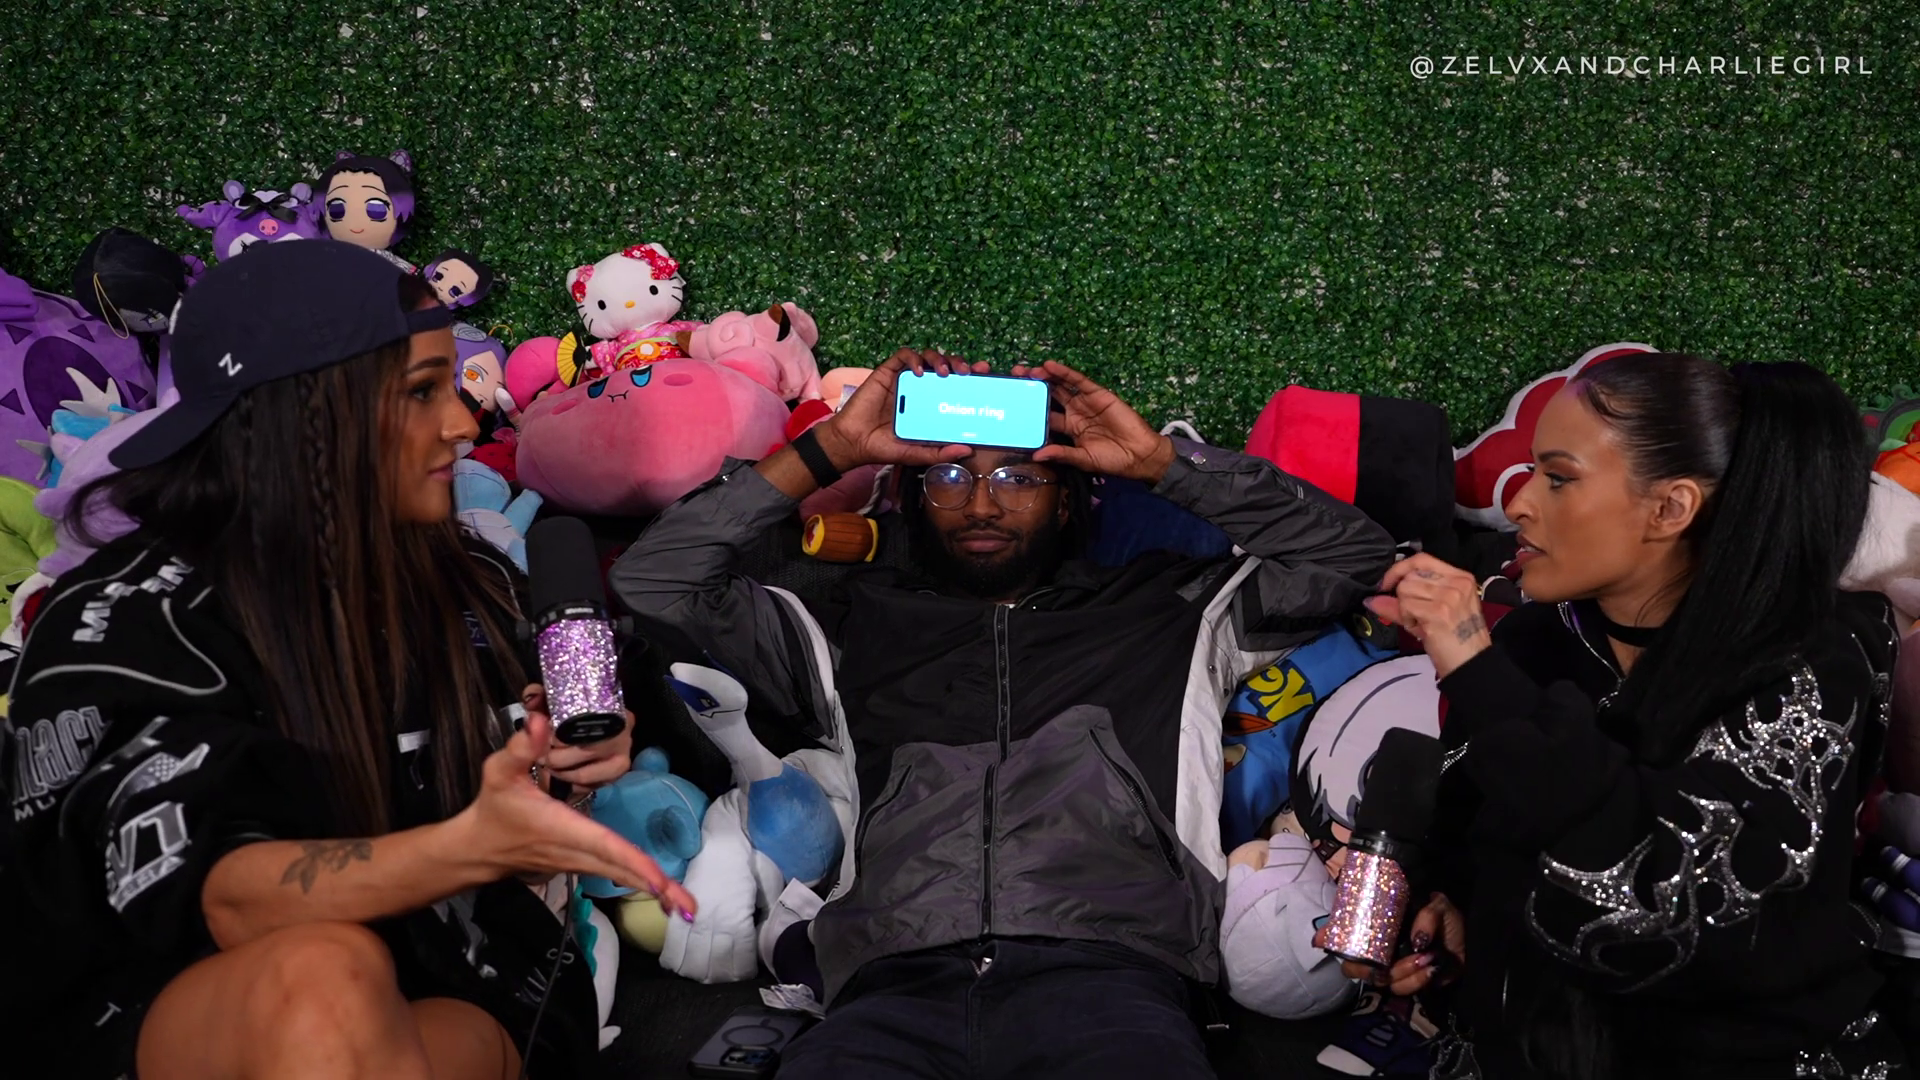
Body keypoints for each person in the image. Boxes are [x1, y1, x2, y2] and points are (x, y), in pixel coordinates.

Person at [0, 242, 694, 1080]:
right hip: (174, 1008)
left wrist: (565, 772)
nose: (463, 424)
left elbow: (506, 786)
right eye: (422, 391)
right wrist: (468, 846)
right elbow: (223, 897)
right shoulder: (124, 620)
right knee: (322, 980)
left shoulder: (469, 579)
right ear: (303, 415)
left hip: (449, 979)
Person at [613, 348, 1396, 1079]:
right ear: (915, 496)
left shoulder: (1170, 610)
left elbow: (1352, 557)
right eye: (950, 475)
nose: (982, 504)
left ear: (1066, 501)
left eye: (1019, 478)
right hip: (888, 989)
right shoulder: (854, 625)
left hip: (1112, 980)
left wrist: (1162, 463)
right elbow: (657, 578)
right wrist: (832, 449)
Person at [1353, 354, 1907, 1079]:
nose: (1520, 504)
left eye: (1558, 477)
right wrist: (1455, 913)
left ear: (1670, 508)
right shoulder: (1531, 644)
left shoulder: (1811, 661)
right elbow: (1486, 836)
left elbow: (1670, 904)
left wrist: (1475, 668)